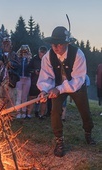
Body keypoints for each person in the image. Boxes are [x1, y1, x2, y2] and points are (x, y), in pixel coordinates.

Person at [37, 26, 95, 157]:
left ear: (67, 43)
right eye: (53, 43)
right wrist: (44, 90)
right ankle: (59, 141)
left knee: (85, 111)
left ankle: (88, 132)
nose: (55, 47)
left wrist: (59, 89)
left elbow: (78, 79)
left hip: (76, 86)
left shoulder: (78, 54)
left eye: (59, 44)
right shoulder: (48, 57)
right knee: (55, 111)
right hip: (57, 87)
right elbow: (46, 76)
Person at [0, 37, 20, 108]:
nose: (6, 45)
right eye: (5, 43)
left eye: (8, 43)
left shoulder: (14, 55)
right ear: (2, 45)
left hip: (10, 80)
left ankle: (10, 115)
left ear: (11, 45)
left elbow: (18, 66)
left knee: (10, 98)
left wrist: (11, 64)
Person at [27, 46, 48, 119]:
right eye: (41, 52)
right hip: (35, 81)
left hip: (45, 83)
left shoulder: (48, 60)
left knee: (44, 99)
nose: (42, 54)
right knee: (32, 98)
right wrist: (34, 71)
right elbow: (28, 68)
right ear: (39, 52)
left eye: (44, 52)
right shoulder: (34, 59)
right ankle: (28, 115)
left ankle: (41, 115)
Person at [15, 45, 32, 119]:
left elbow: (32, 68)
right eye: (23, 50)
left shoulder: (30, 59)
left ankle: (23, 112)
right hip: (19, 79)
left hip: (27, 79)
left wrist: (28, 59)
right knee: (19, 96)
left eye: (26, 50)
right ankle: (18, 112)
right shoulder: (18, 59)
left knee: (24, 97)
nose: (24, 52)